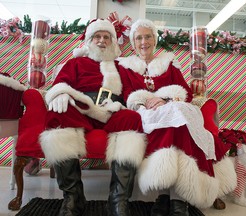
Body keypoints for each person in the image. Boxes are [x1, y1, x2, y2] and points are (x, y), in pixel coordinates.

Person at [117, 19, 236, 215]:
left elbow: (187, 94)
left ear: (155, 40)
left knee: (177, 120)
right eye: (139, 38)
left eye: (148, 36)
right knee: (172, 123)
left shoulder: (169, 63)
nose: (144, 42)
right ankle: (173, 199)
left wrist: (165, 98)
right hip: (146, 113)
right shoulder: (125, 66)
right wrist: (147, 101)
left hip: (173, 108)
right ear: (133, 43)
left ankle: (172, 198)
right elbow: (128, 93)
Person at [39, 19, 146, 216]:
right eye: (97, 36)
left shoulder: (121, 67)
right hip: (82, 108)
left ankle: (118, 200)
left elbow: (133, 93)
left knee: (132, 119)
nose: (102, 40)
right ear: (89, 40)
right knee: (57, 113)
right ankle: (73, 197)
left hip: (112, 110)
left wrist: (136, 102)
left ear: (113, 42)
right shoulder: (75, 63)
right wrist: (61, 93)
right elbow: (61, 83)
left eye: (107, 37)